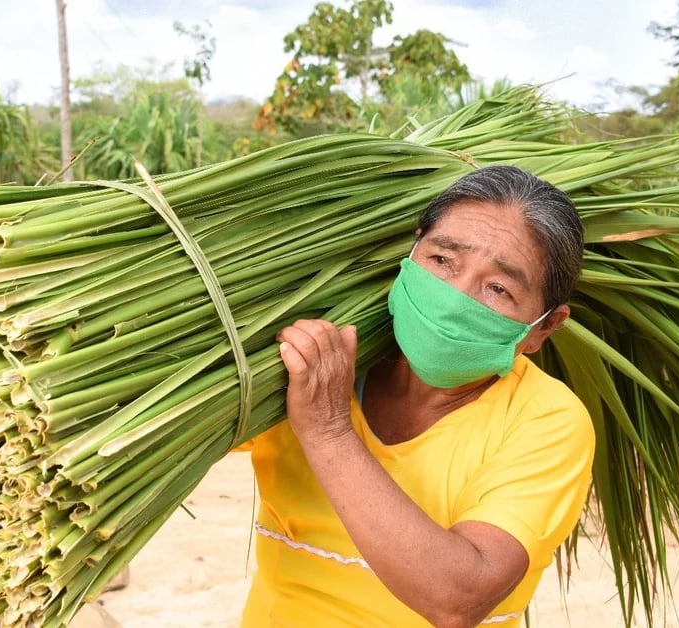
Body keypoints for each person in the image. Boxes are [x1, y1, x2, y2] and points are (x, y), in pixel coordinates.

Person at [241, 165, 595, 628]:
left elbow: (458, 597)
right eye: (442, 260)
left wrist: (328, 430)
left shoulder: (547, 420)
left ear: (543, 327)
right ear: (412, 249)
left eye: (499, 288)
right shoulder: (319, 360)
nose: (454, 297)